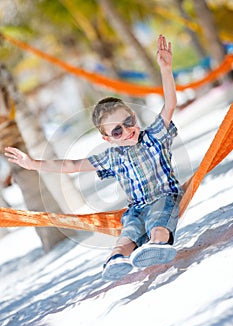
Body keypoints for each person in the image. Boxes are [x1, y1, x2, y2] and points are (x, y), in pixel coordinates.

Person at [5, 34, 183, 281]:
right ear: (108, 138)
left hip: (164, 197)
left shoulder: (154, 135)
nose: (127, 130)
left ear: (134, 115)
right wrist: (32, 164)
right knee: (126, 235)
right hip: (135, 209)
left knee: (158, 223)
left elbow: (170, 103)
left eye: (128, 121)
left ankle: (158, 245)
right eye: (117, 130)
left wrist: (166, 69)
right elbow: (72, 165)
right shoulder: (112, 156)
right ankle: (117, 260)